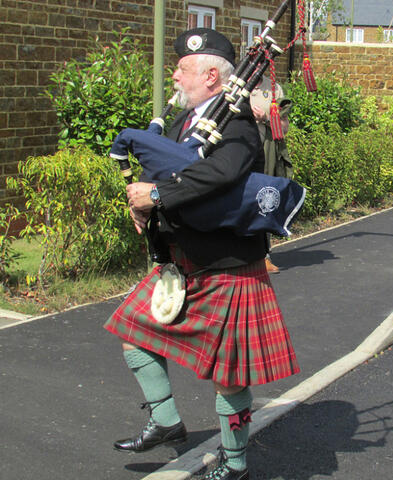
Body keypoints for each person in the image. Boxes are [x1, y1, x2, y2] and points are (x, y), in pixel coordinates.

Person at [104, 28, 299, 480]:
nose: (174, 74)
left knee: (229, 374)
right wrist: (146, 209)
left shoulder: (238, 124)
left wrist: (157, 194)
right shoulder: (180, 124)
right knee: (132, 330)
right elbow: (166, 172)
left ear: (212, 74)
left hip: (227, 263)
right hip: (182, 261)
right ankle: (167, 421)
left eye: (183, 68)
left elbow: (221, 174)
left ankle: (235, 464)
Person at [250, 78, 294, 274]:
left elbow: (283, 128)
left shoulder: (274, 89)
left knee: (263, 201)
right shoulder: (234, 82)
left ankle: (262, 255)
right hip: (238, 148)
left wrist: (266, 119)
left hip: (265, 153)